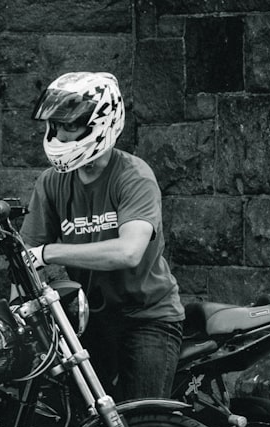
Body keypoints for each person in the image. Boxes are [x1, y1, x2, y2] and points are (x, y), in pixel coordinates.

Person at [18, 71, 185, 405]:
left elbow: (128, 252)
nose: (60, 135)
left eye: (70, 126)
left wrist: (51, 253)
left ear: (101, 123)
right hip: (89, 321)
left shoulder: (134, 176)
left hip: (146, 317)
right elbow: (26, 259)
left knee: (146, 426)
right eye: (55, 126)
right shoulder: (51, 183)